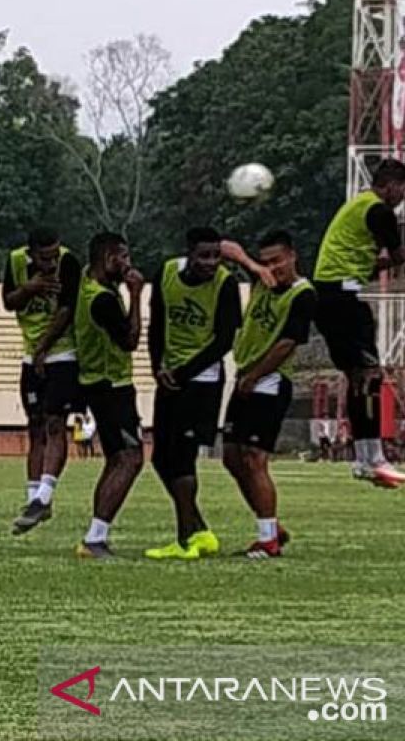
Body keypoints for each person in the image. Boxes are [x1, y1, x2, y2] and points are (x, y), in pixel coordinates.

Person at [143, 227, 242, 561]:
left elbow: (224, 340)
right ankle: (197, 529)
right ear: (189, 252)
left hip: (202, 380)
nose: (211, 263)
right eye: (204, 255)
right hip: (170, 377)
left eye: (216, 256)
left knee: (182, 458)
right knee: (160, 458)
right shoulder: (167, 273)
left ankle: (186, 538)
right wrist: (158, 367)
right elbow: (157, 323)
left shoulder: (225, 284)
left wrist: (182, 373)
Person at [221, 231, 317, 559]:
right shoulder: (262, 278)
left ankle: (267, 539)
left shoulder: (302, 294)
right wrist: (252, 265)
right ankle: (272, 526)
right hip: (246, 376)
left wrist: (256, 375)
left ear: (293, 257)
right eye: (266, 261)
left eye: (277, 261)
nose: (271, 268)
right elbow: (225, 246)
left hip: (269, 381)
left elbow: (288, 343)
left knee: (254, 457)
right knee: (231, 457)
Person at [312, 159, 405, 488]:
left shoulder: (358, 205)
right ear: (391, 185)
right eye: (402, 190)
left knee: (358, 377)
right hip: (342, 298)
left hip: (329, 294)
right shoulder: (379, 212)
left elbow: (367, 264)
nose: (401, 198)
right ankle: (372, 457)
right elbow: (396, 255)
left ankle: (366, 458)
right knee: (369, 375)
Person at [4, 227, 83, 534]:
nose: (51, 263)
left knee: (54, 423)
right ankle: (33, 501)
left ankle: (45, 495)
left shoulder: (69, 264)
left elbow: (66, 310)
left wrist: (43, 348)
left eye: (54, 255)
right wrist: (30, 288)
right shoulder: (14, 262)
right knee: (35, 426)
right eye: (44, 257)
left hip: (62, 355)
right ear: (31, 253)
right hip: (29, 356)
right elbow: (9, 302)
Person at [73, 232, 146, 560]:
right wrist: (136, 296)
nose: (128, 265)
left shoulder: (84, 288)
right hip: (111, 385)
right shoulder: (102, 299)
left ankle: (97, 534)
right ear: (107, 259)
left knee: (117, 459)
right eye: (123, 258)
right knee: (131, 458)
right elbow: (129, 340)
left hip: (96, 383)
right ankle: (95, 537)